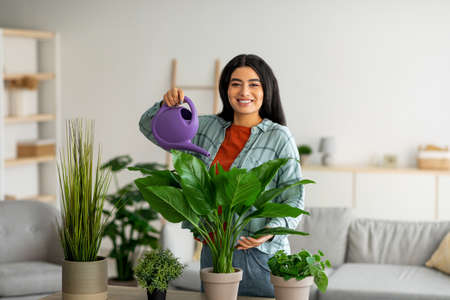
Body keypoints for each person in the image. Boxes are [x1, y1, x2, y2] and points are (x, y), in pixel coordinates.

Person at [139, 54, 304, 298]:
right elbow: (148, 126)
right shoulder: (205, 128)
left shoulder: (279, 137)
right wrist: (166, 107)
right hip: (213, 256)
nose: (244, 91)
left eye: (254, 84)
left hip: (260, 257)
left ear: (266, 89)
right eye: (235, 83)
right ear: (226, 88)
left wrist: (271, 229)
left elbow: (294, 199)